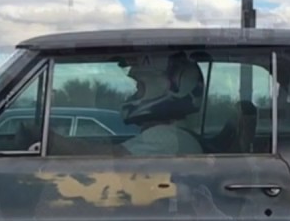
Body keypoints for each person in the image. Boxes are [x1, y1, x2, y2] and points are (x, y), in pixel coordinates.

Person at [28, 52, 205, 157]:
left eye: (140, 87)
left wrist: (49, 140)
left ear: (166, 89)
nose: (134, 95)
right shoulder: (175, 134)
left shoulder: (166, 137)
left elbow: (107, 160)